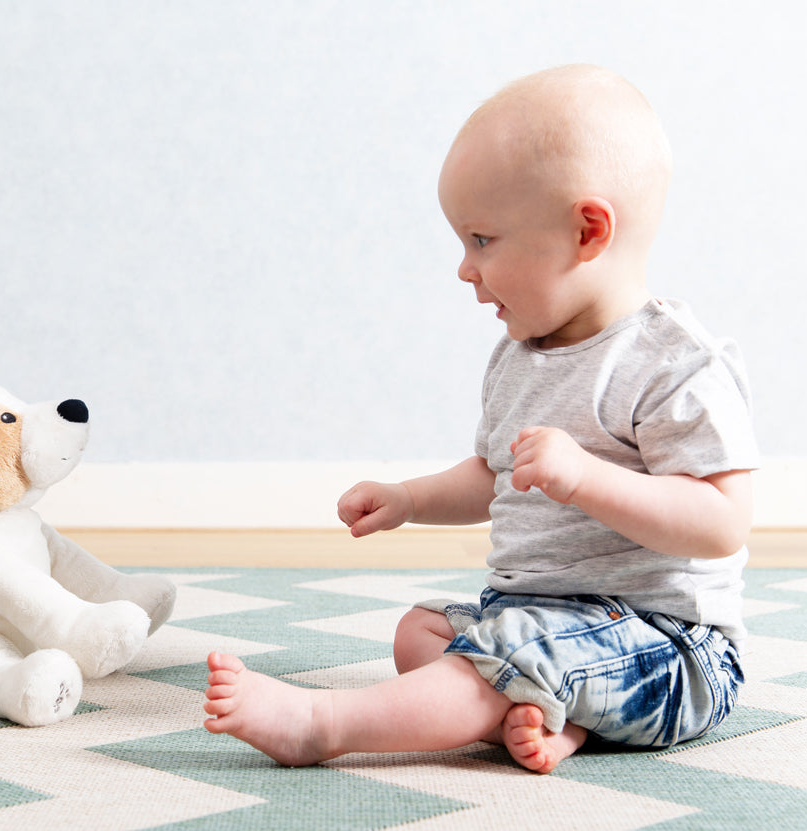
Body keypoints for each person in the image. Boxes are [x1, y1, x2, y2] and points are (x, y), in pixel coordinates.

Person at [202, 64, 759, 774]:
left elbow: (721, 522)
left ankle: (322, 724)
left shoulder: (675, 363)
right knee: (421, 632)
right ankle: (551, 714)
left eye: (483, 241)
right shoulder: (518, 356)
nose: (465, 269)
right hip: (536, 619)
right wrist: (410, 499)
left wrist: (585, 478)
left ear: (587, 230)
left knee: (494, 659)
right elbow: (496, 477)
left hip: (670, 647)